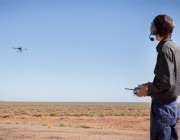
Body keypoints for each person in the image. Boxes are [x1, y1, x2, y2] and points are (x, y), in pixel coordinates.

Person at [136, 14, 180, 140]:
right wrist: (151, 84)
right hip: (173, 106)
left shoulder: (164, 49)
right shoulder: (176, 49)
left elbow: (166, 83)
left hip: (162, 108)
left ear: (155, 30)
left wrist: (147, 90)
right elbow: (172, 80)